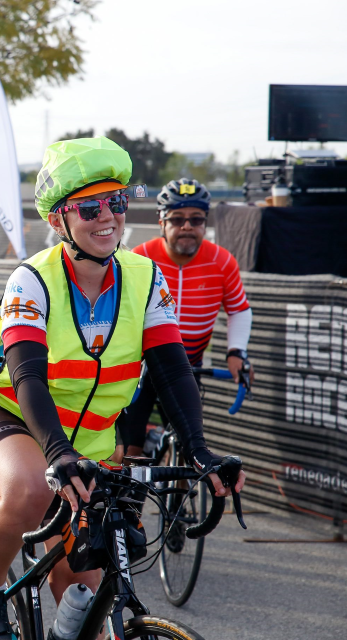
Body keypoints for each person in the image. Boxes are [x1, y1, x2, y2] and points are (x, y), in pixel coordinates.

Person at [0, 137, 247, 640]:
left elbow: (172, 371)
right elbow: (27, 375)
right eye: (90, 207)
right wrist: (56, 450)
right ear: (58, 220)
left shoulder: (146, 276)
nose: (107, 216)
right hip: (1, 410)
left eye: (117, 202)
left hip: (86, 438)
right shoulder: (32, 279)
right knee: (25, 487)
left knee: (84, 601)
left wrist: (198, 449)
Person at [115, 178, 254, 460]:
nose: (187, 226)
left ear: (206, 223)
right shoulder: (140, 258)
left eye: (196, 219)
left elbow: (239, 309)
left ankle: (182, 495)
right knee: (129, 450)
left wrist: (236, 351)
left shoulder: (222, 260)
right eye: (177, 219)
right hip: (139, 367)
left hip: (187, 367)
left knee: (190, 447)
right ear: (161, 223)